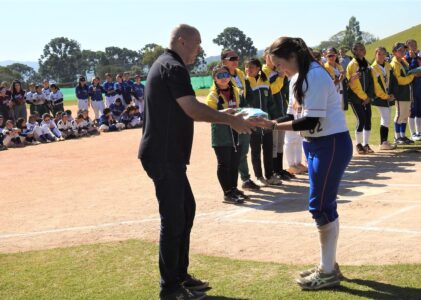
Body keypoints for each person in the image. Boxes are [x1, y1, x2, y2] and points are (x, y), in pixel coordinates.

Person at [138, 24, 253, 300]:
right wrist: (230, 119)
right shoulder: (173, 67)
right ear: (181, 41)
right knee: (174, 217)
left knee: (185, 210)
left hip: (169, 156)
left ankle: (180, 276)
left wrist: (224, 112)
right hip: (163, 155)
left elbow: (187, 106)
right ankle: (170, 288)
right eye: (197, 43)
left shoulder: (168, 65)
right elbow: (191, 107)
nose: (200, 49)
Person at [255, 36, 352, 290]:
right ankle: (328, 265)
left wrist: (274, 126)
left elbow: (310, 121)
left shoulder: (315, 75)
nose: (278, 70)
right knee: (323, 205)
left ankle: (328, 270)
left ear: (293, 56)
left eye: (279, 64)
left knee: (319, 206)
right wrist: (269, 121)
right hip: (316, 144)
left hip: (329, 143)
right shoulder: (297, 77)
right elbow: (293, 114)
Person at [206, 65, 248, 204]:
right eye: (220, 76)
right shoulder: (212, 95)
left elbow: (240, 107)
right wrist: (227, 112)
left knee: (235, 162)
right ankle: (227, 193)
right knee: (224, 163)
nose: (224, 78)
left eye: (226, 75)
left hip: (236, 131)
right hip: (221, 134)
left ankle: (233, 188)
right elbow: (209, 115)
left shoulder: (236, 91)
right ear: (215, 79)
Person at [221, 49, 260, 191]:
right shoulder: (221, 75)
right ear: (224, 61)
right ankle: (235, 184)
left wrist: (249, 108)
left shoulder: (240, 73)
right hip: (231, 117)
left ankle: (245, 179)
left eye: (236, 58)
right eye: (231, 58)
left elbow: (246, 93)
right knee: (234, 151)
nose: (235, 61)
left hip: (243, 115)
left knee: (243, 148)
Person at [244, 58, 281, 186]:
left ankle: (270, 175)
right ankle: (259, 177)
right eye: (247, 67)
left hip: (266, 123)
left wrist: (273, 118)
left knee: (268, 150)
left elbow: (270, 103)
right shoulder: (245, 83)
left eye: (252, 67)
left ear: (259, 68)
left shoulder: (265, 82)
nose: (249, 70)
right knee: (255, 151)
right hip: (253, 124)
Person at [262, 48, 294, 180]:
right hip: (272, 112)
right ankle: (274, 170)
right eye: (270, 56)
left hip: (282, 111)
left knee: (280, 142)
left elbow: (286, 90)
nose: (273, 59)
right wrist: (280, 77)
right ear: (265, 57)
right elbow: (272, 90)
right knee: (274, 143)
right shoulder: (264, 72)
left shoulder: (277, 71)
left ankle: (279, 169)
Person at [346, 42, 375, 154]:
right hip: (356, 98)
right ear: (355, 52)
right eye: (359, 49)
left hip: (366, 97)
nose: (363, 50)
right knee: (361, 119)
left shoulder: (367, 63)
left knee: (368, 120)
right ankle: (358, 144)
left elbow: (372, 81)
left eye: (363, 48)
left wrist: (369, 96)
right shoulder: (353, 64)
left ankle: (366, 144)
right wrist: (364, 97)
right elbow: (354, 85)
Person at [390, 42, 417, 145]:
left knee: (405, 115)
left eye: (403, 50)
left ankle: (402, 135)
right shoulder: (394, 63)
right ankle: (397, 137)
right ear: (394, 52)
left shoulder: (403, 61)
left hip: (407, 91)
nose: (402, 52)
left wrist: (414, 72)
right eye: (400, 50)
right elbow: (399, 80)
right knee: (399, 115)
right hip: (400, 93)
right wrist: (412, 77)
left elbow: (408, 72)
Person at [371, 47, 398, 150]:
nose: (382, 56)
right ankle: (383, 143)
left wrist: (393, 94)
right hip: (380, 98)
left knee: (386, 118)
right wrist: (386, 96)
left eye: (383, 54)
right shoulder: (373, 68)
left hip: (389, 96)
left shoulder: (388, 65)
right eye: (379, 54)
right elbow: (376, 86)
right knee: (386, 118)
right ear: (375, 55)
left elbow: (393, 81)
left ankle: (384, 142)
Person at [404, 39, 421, 141]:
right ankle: (412, 133)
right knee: (412, 110)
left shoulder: (419, 57)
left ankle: (419, 132)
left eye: (415, 45)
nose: (413, 47)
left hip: (419, 86)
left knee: (419, 110)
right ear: (407, 47)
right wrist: (413, 59)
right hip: (411, 87)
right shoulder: (405, 59)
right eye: (411, 45)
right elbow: (408, 71)